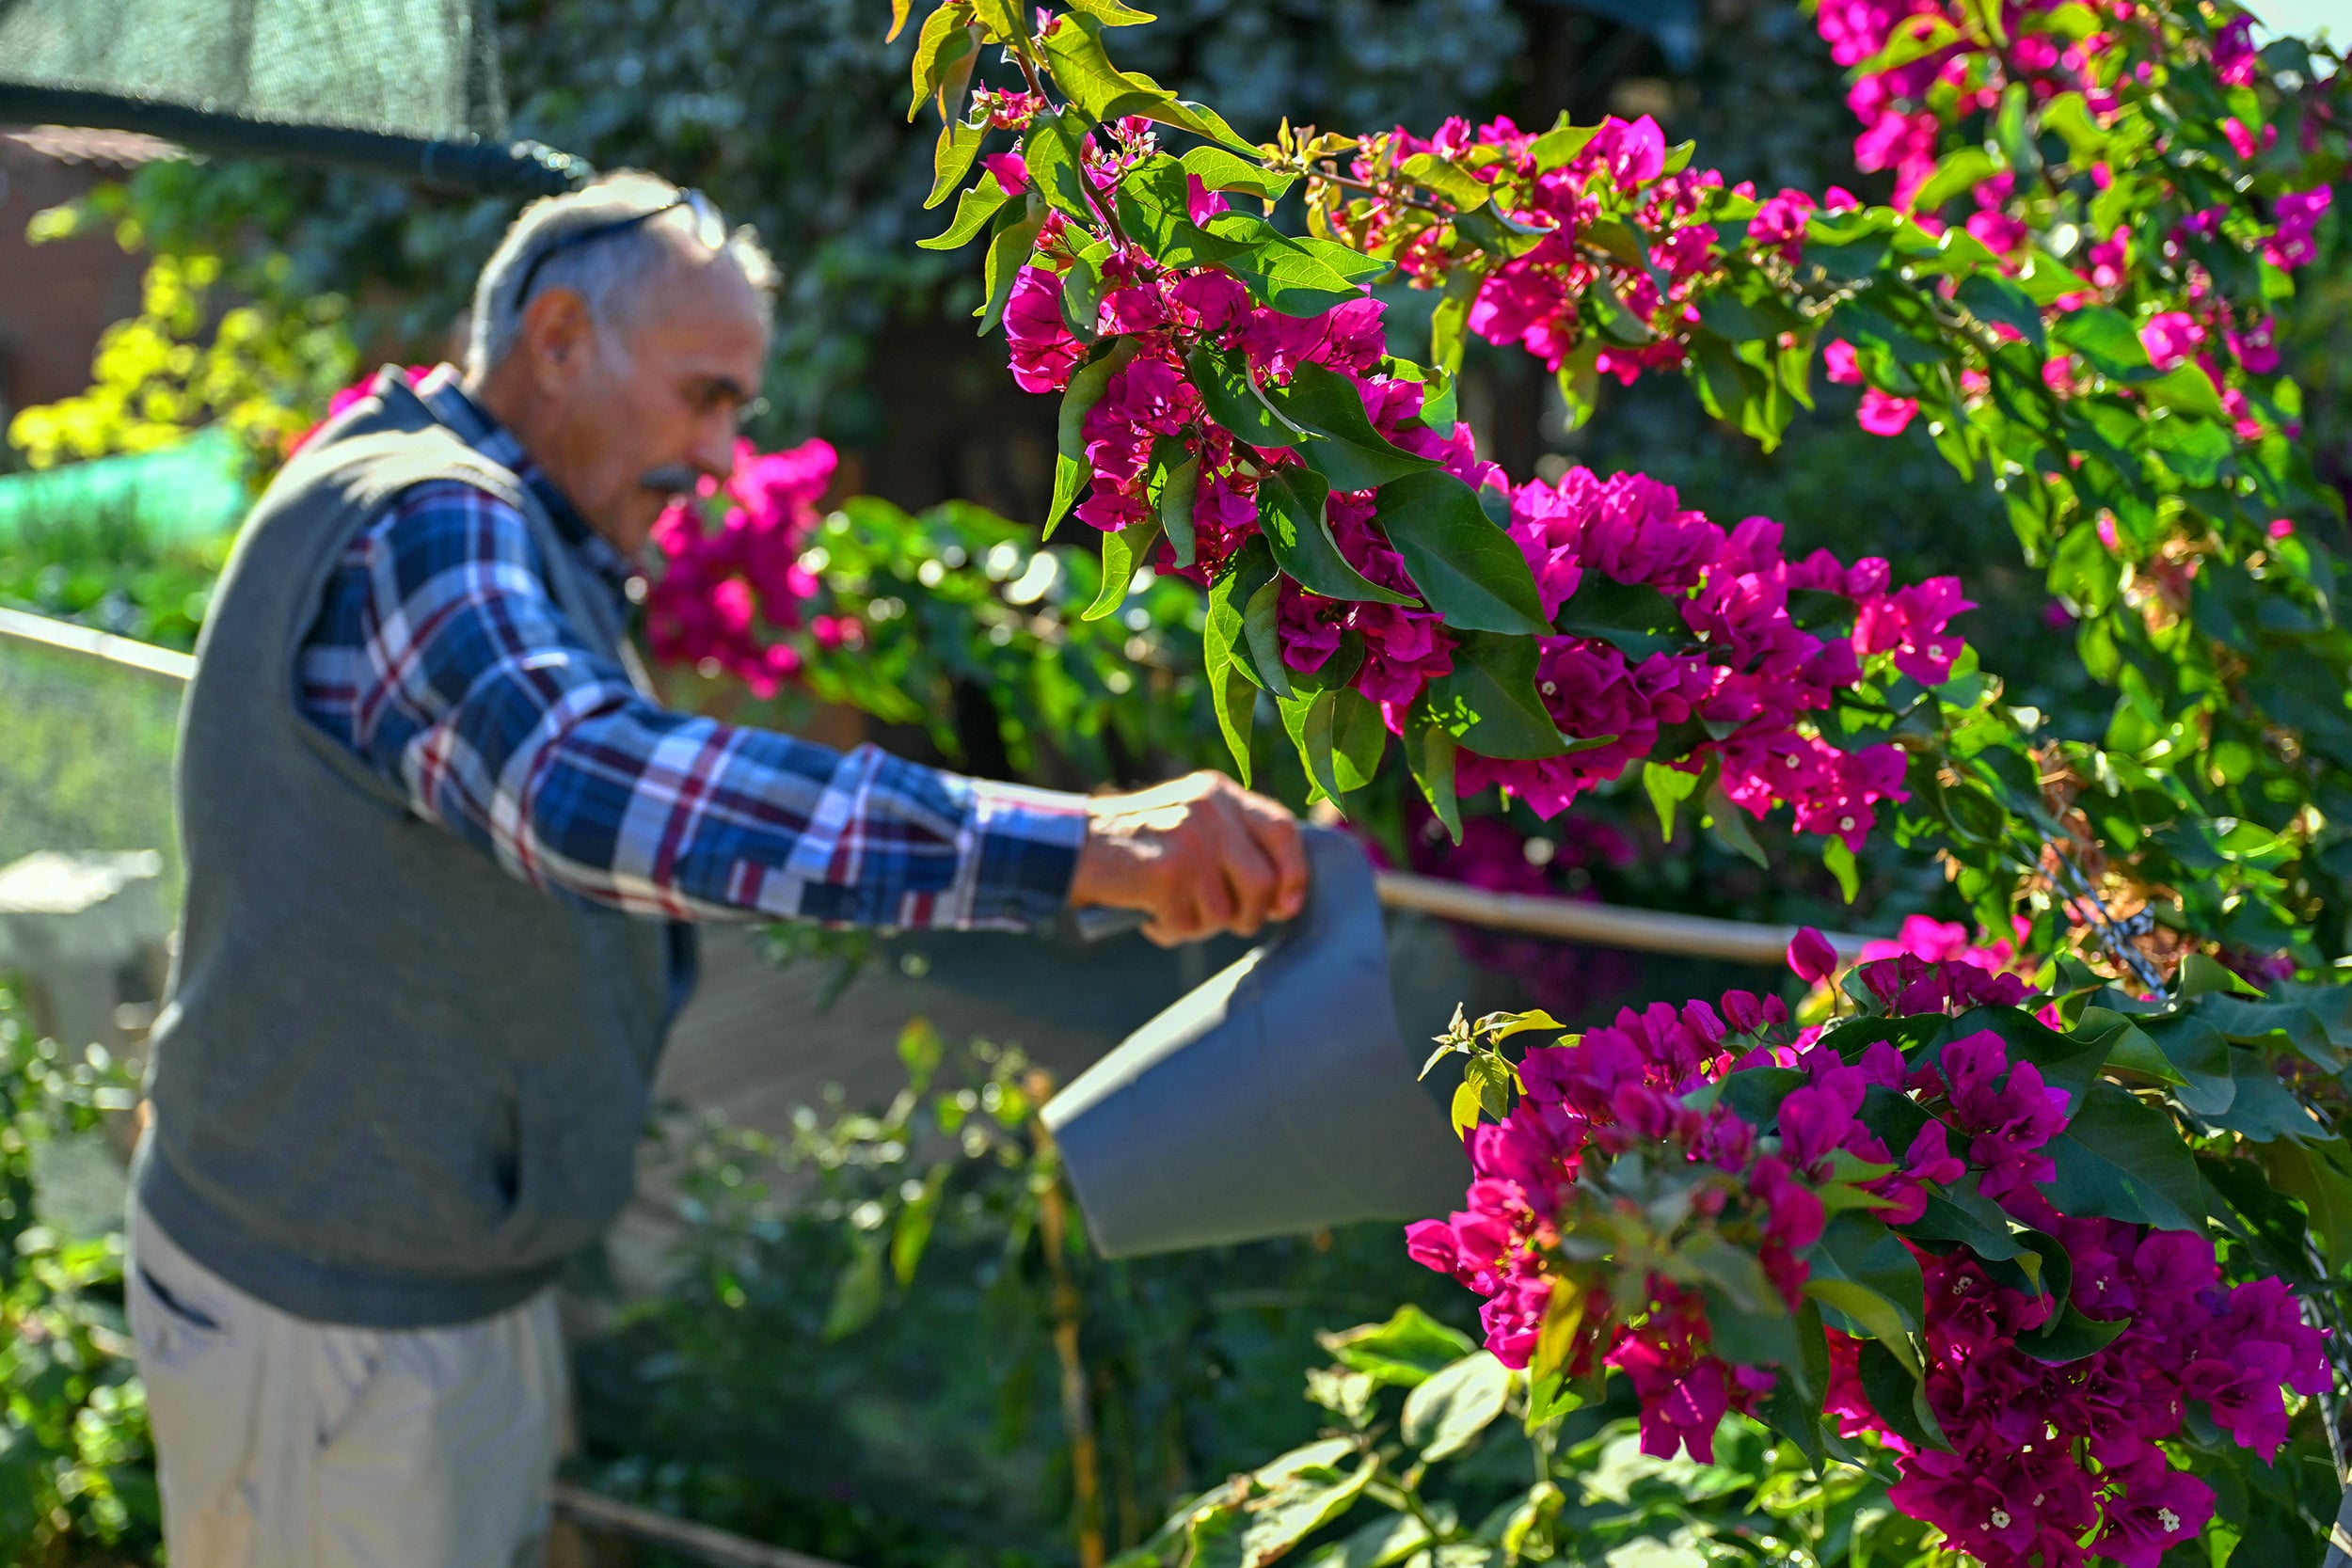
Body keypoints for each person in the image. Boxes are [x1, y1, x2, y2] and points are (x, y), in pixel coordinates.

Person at [128, 170, 1306, 1568]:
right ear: (559, 341)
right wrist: (1085, 849)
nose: (723, 455)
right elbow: (583, 784)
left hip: (412, 1286)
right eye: (706, 398)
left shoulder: (501, 513)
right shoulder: (423, 520)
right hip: (331, 1317)